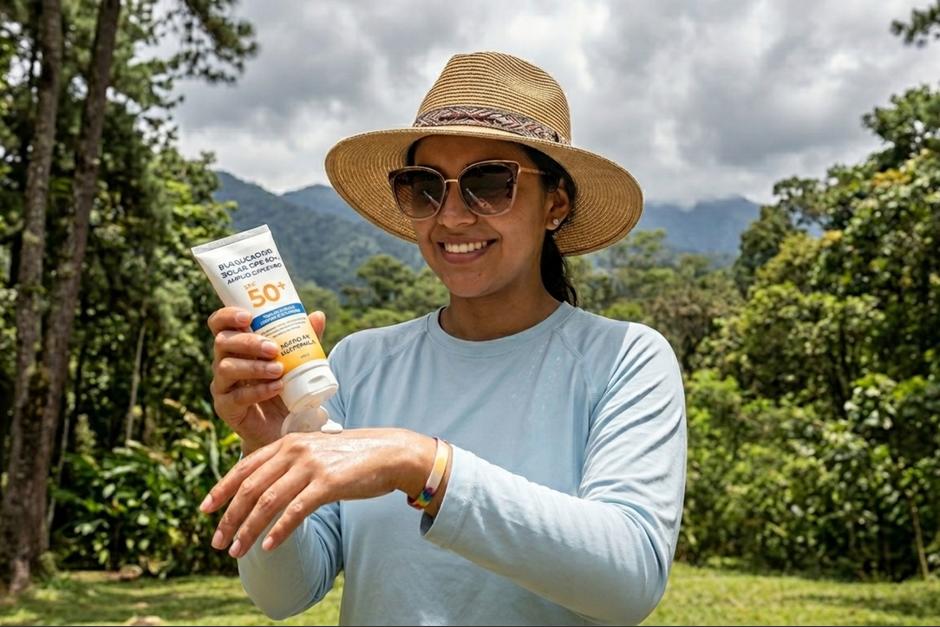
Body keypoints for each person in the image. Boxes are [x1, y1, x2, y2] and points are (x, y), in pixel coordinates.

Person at [199, 51, 687, 626]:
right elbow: (287, 595)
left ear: (554, 203)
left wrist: (422, 464)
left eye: (488, 183)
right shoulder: (358, 363)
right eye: (423, 187)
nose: (451, 216)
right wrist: (268, 443)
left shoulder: (625, 359)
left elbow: (628, 579)